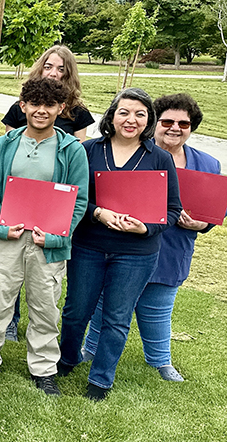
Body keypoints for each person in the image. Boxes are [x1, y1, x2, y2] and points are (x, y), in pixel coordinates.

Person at [0, 77, 89, 396]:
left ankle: (44, 368)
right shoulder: (5, 145)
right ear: (23, 106)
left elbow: (79, 200)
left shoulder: (71, 150)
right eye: (34, 103)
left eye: (49, 105)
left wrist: (56, 236)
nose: (41, 111)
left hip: (47, 244)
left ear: (61, 108)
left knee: (46, 307)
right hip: (8, 238)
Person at [81, 93, 216, 383]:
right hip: (121, 242)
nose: (175, 128)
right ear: (156, 123)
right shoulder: (140, 154)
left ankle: (160, 359)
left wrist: (202, 224)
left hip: (172, 245)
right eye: (167, 121)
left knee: (158, 305)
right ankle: (90, 349)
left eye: (183, 123)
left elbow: (214, 211)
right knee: (106, 301)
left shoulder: (207, 164)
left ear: (192, 127)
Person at [57, 88, 182, 401]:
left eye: (141, 114)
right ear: (111, 116)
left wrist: (146, 227)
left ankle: (101, 379)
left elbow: (172, 209)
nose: (132, 119)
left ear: (149, 121)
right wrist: (97, 212)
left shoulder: (159, 158)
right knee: (76, 310)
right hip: (89, 245)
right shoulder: (88, 151)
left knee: (117, 317)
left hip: (136, 253)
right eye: (124, 112)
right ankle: (67, 359)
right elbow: (69, 196)